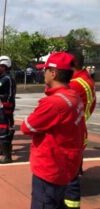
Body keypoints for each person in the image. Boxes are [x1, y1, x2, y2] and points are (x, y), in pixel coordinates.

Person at [20, 52, 87, 209]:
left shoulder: (53, 103)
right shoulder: (73, 96)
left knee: (45, 203)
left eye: (45, 69)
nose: (43, 73)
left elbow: (26, 127)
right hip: (64, 166)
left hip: (49, 169)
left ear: (53, 73)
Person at [64, 49, 97, 209]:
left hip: (71, 130)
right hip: (80, 126)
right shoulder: (85, 79)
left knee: (67, 172)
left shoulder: (75, 84)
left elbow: (55, 99)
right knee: (74, 166)